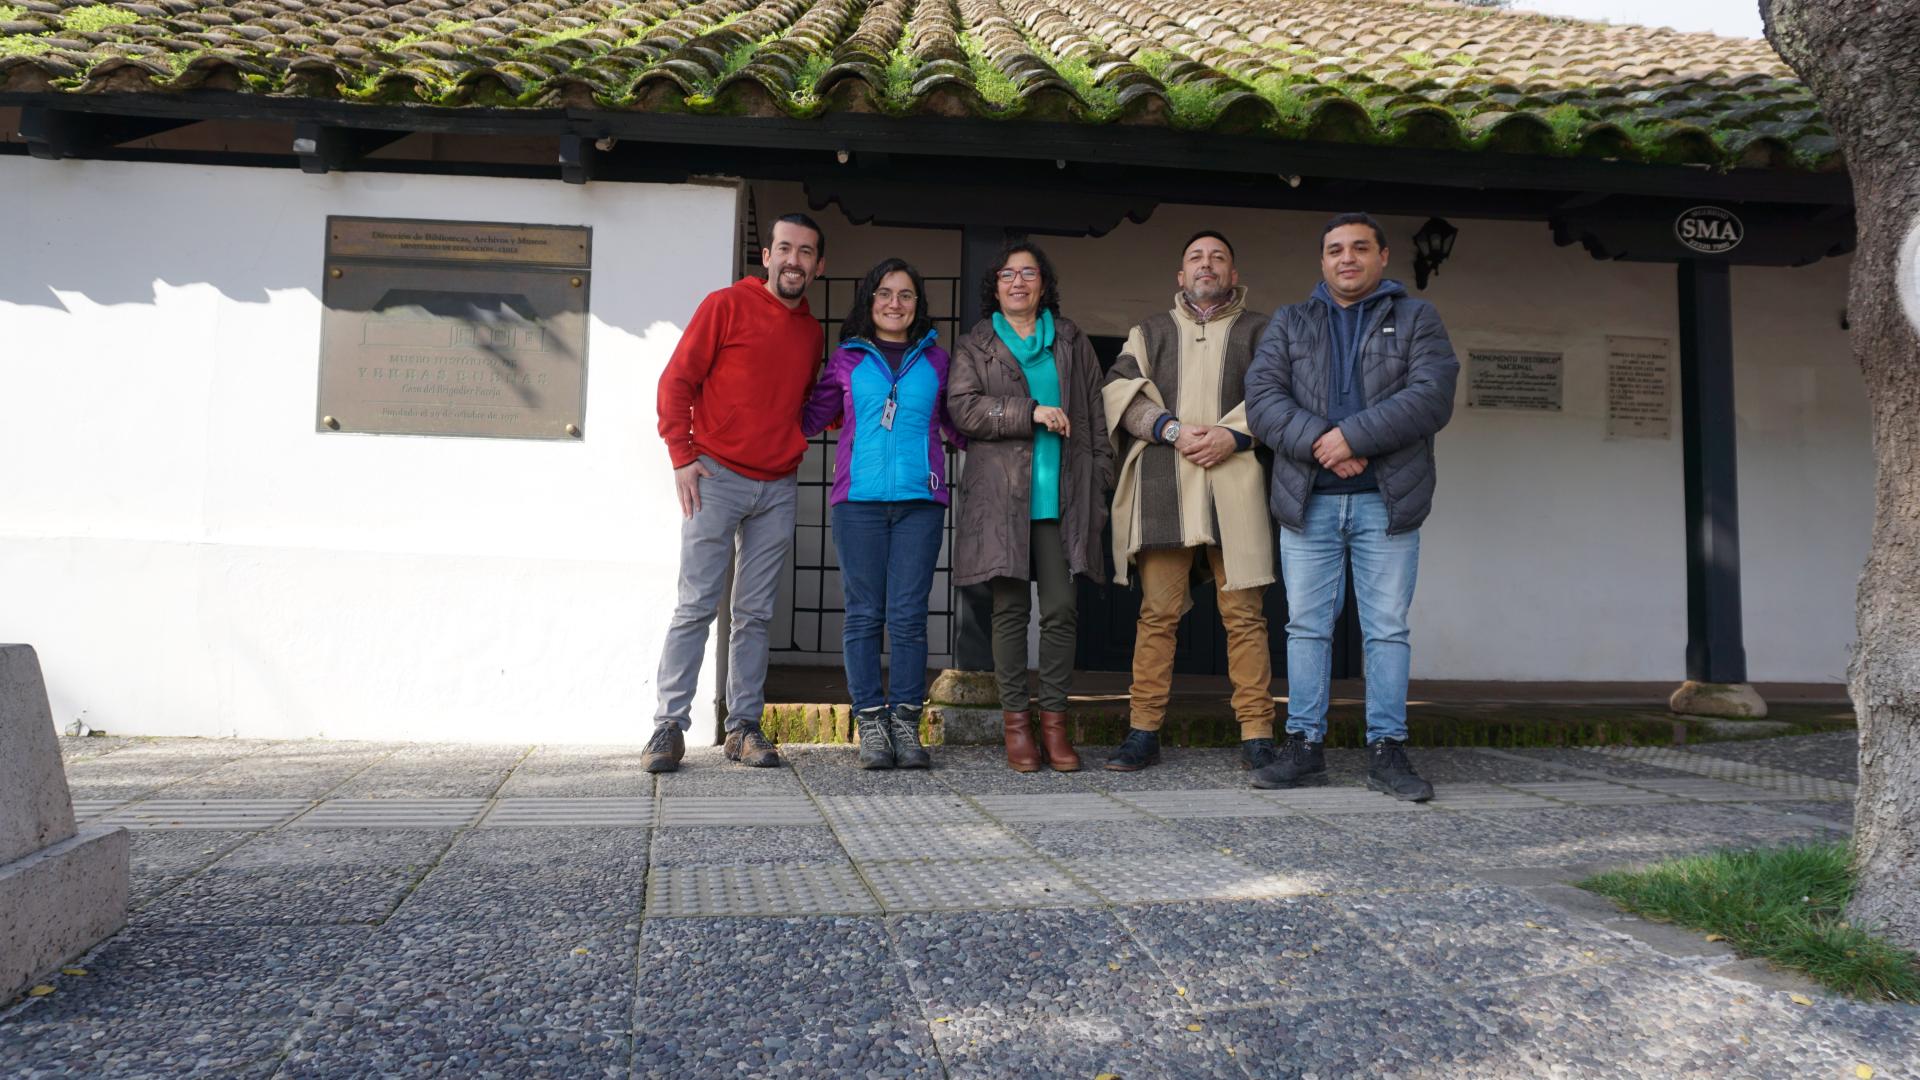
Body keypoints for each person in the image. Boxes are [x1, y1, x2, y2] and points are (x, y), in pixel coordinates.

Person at [1244, 212, 1459, 801]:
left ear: (1382, 257)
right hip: (1308, 501)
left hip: (1387, 503)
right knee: (1306, 628)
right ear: (1322, 261)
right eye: (1335, 249)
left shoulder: (1418, 318)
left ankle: (1388, 751)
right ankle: (1304, 747)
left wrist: (1353, 437)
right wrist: (1325, 442)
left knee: (1386, 630)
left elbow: (1432, 396)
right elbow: (1262, 400)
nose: (1347, 258)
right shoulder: (1290, 321)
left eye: (1360, 248)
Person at [643, 213, 827, 773]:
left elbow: (798, 402)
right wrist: (682, 455)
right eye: (785, 249)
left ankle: (743, 726)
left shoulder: (812, 331)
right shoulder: (724, 305)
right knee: (696, 605)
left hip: (777, 484)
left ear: (818, 266)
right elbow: (677, 380)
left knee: (754, 613)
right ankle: (667, 727)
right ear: (766, 256)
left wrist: (797, 437)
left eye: (806, 252)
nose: (794, 260)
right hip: (715, 477)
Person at [1101, 231, 1279, 773]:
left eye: (1218, 257)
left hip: (1234, 483)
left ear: (1233, 271)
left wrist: (1235, 435)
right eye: (1196, 258)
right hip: (1164, 485)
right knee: (1157, 615)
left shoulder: (1262, 332)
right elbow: (1119, 392)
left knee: (1244, 616)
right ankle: (1143, 731)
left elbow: (1279, 394)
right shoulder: (1148, 332)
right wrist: (1170, 427)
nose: (1207, 265)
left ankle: (1257, 733)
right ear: (1181, 276)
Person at [947, 241, 1114, 773]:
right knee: (1010, 611)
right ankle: (1016, 725)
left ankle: (1055, 723)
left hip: (1061, 498)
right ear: (994, 286)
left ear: (1043, 284)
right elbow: (963, 409)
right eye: (1007, 274)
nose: (1017, 282)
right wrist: (1032, 411)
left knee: (1062, 608)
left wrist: (1101, 477)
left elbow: (1093, 413)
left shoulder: (1070, 340)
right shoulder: (976, 344)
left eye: (1028, 273)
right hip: (1002, 499)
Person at [801, 258, 963, 770]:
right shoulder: (846, 359)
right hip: (858, 503)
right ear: (869, 301)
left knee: (910, 616)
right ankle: (871, 722)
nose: (895, 303)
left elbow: (958, 425)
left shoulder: (938, 361)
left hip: (921, 500)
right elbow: (812, 416)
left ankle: (906, 724)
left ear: (918, 305)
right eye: (885, 293)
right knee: (865, 614)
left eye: (906, 295)